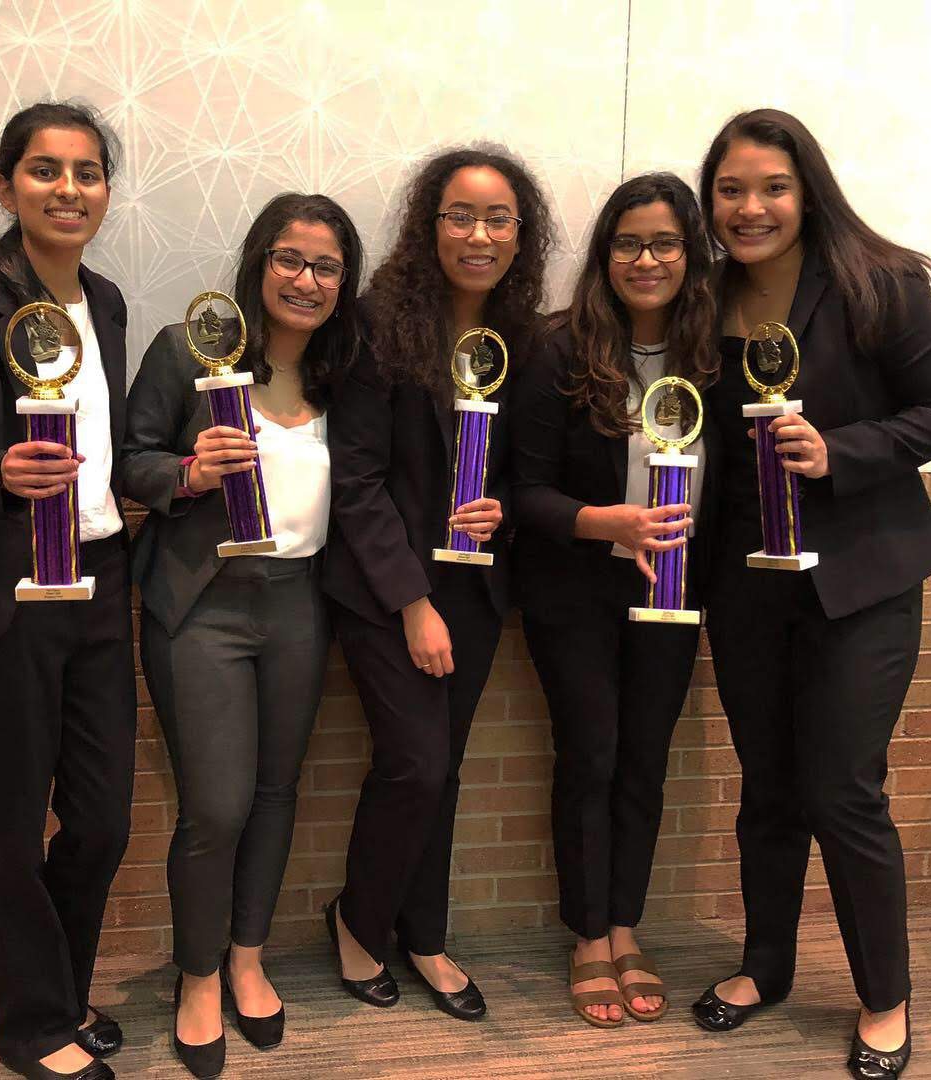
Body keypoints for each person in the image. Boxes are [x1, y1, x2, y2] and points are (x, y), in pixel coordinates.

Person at [691, 108, 931, 1079]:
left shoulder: (877, 284)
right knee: (767, 792)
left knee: (841, 792)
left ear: (807, 189)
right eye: (730, 189)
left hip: (864, 581)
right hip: (745, 588)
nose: (751, 207)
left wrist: (840, 452)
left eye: (771, 186)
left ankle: (885, 999)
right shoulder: (706, 299)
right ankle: (765, 967)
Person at [119, 193, 361, 1077]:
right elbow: (129, 459)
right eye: (290, 260)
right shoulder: (189, 352)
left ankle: (248, 957)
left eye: (326, 266)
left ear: (345, 282)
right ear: (259, 262)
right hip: (204, 605)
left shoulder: (345, 372)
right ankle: (196, 977)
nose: (306, 280)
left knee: (273, 792)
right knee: (215, 807)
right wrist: (185, 474)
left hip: (302, 603)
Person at [322, 146, 553, 1020]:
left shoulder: (523, 336)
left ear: (520, 235)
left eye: (498, 219)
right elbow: (357, 477)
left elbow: (525, 472)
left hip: (478, 589)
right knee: (414, 766)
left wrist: (503, 512)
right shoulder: (380, 323)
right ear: (431, 224)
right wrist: (413, 602)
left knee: (444, 770)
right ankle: (355, 921)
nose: (479, 234)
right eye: (460, 215)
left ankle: (424, 936)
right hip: (390, 590)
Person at [0, 102, 134, 1080]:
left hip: (96, 584)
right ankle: (32, 1028)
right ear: (7, 185)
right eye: (45, 170)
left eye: (87, 172)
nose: (68, 189)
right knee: (11, 820)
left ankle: (59, 989)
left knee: (101, 817)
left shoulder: (111, 301)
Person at [511, 173, 716, 1028]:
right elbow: (524, 491)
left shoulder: (715, 353)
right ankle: (588, 936)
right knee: (590, 756)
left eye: (665, 243)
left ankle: (626, 923)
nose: (646, 259)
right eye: (628, 243)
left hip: (678, 592)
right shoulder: (558, 350)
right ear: (604, 255)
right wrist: (607, 524)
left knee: (642, 763)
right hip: (577, 594)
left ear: (689, 255)